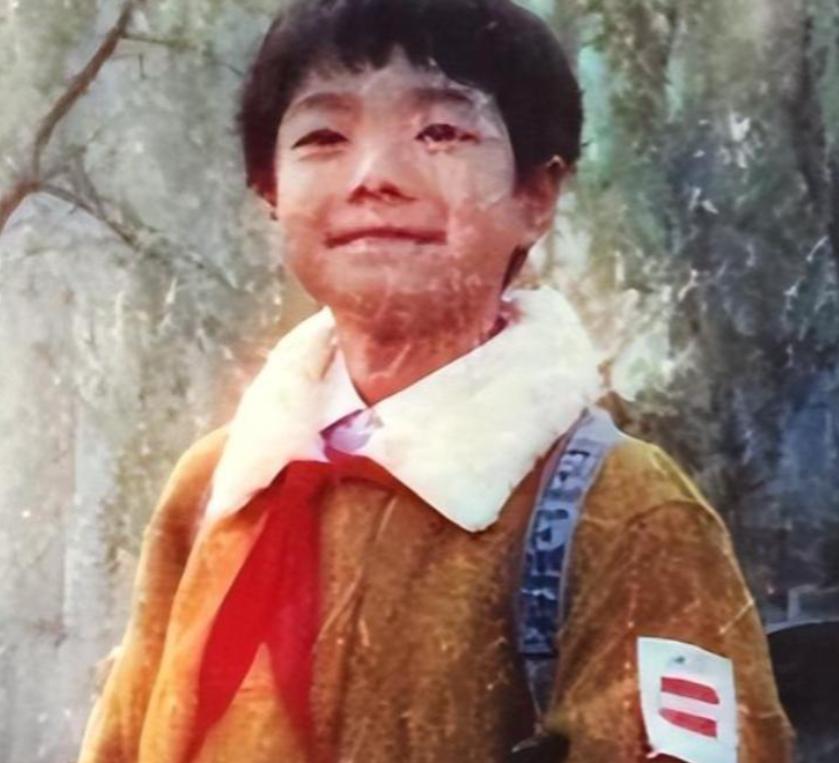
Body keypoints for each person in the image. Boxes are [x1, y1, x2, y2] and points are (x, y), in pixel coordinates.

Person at [76, 0, 794, 761]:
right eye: (324, 137)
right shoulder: (217, 487)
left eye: (441, 133)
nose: (375, 177)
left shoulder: (624, 513)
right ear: (270, 194)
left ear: (535, 195)